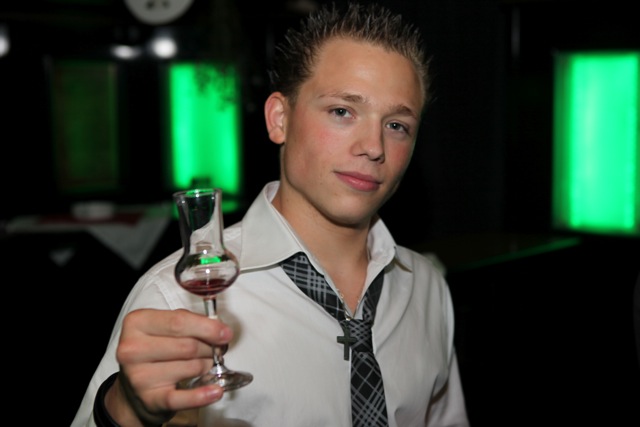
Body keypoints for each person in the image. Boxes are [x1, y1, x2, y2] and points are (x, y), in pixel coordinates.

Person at [72, 2, 470, 426]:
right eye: (342, 111)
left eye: (396, 125)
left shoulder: (426, 288)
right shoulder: (179, 298)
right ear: (279, 119)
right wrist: (126, 410)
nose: (374, 146)